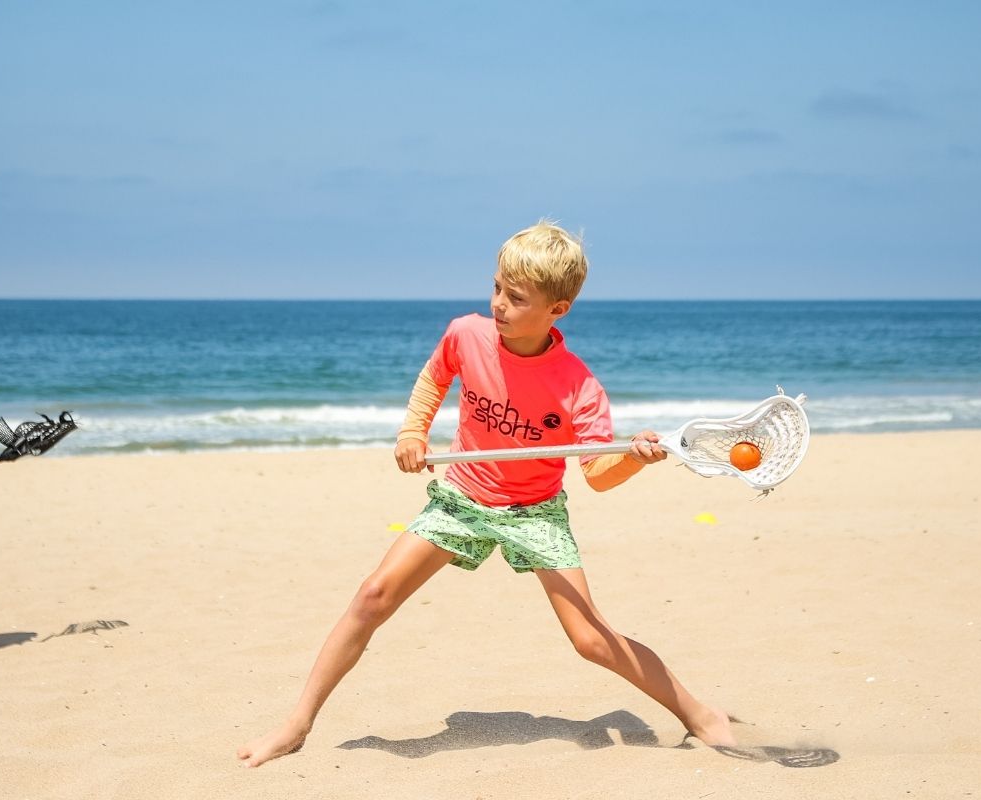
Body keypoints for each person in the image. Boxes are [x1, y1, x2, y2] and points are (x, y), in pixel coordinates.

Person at [238, 221, 736, 767]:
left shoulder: (579, 387)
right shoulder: (466, 334)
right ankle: (295, 724)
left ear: (558, 309)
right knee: (373, 595)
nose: (499, 304)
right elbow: (434, 378)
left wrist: (636, 461)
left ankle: (700, 715)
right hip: (463, 498)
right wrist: (412, 432)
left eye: (516, 297)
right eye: (497, 287)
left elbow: (596, 473)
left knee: (591, 641)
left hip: (535, 512)